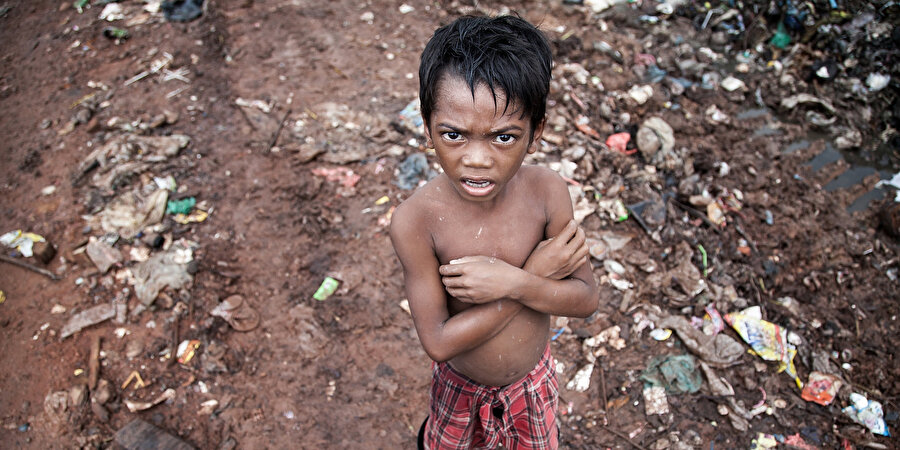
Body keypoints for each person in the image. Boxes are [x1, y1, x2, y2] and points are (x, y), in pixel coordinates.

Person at [390, 14, 599, 449]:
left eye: (503, 138)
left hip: (532, 385)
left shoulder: (547, 194)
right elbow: (439, 342)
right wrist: (529, 280)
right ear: (427, 127)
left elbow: (585, 298)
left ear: (535, 133)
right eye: (454, 135)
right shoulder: (416, 221)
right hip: (459, 388)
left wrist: (514, 280)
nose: (478, 159)